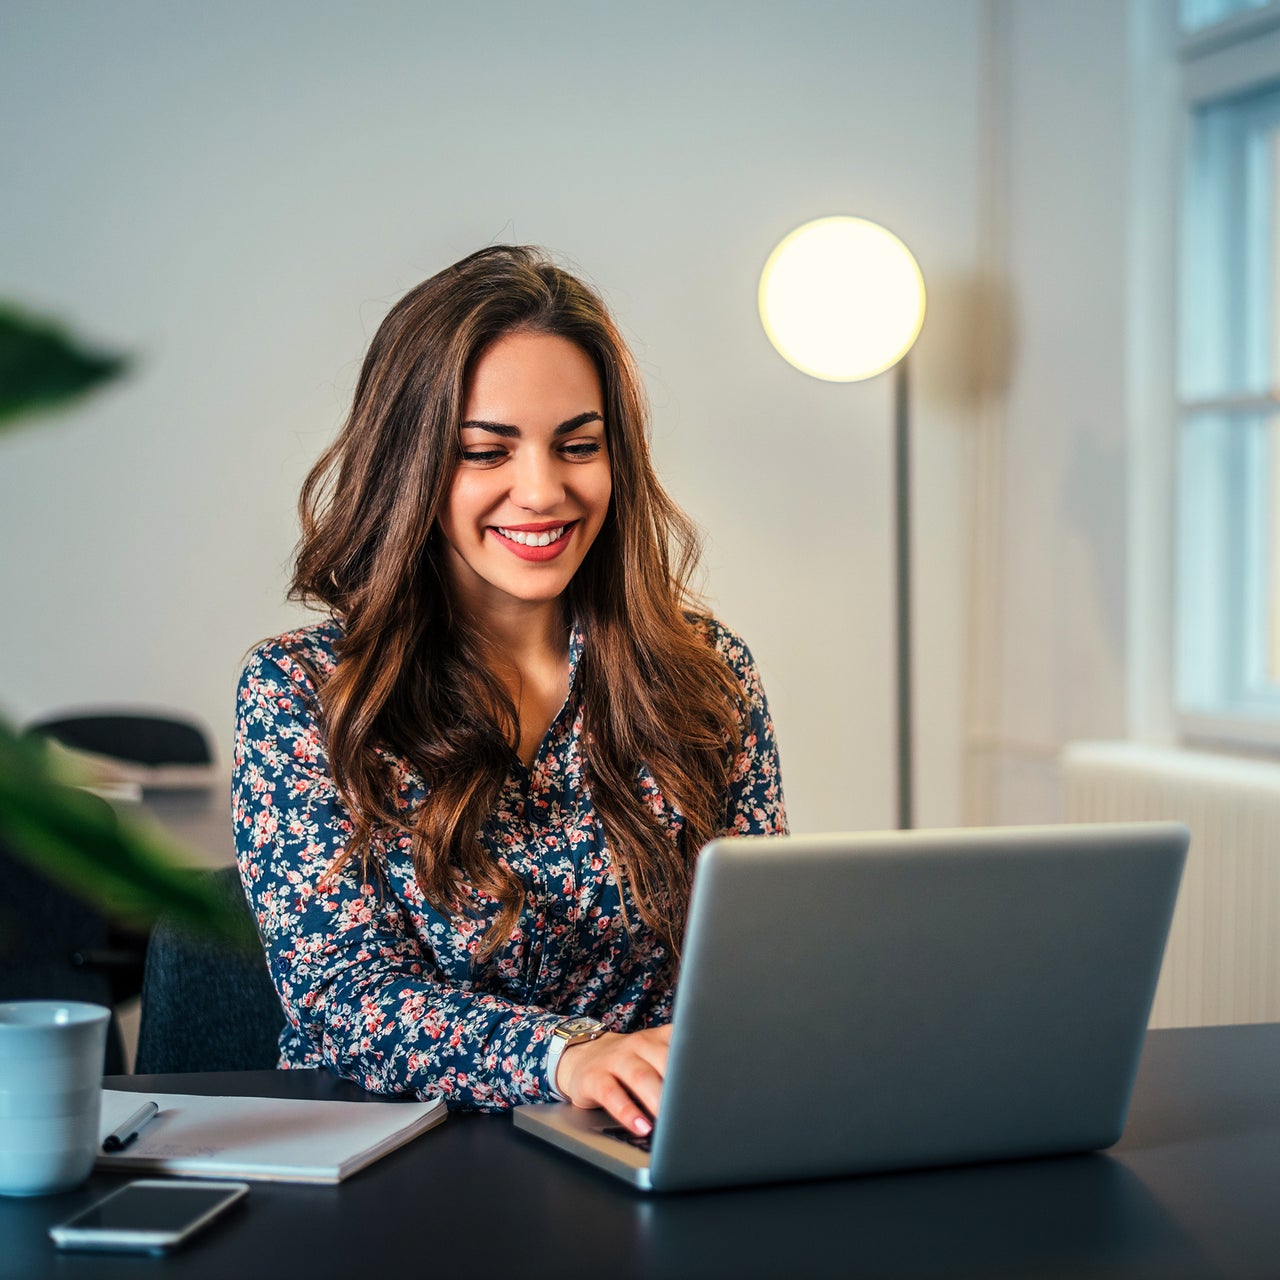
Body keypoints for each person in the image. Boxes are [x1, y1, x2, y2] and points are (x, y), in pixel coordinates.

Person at [232, 246, 786, 1138]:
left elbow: (759, 959)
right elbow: (343, 1000)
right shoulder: (305, 689)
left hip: (649, 1147)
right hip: (396, 1166)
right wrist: (567, 1055)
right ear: (409, 468)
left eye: (578, 446)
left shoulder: (708, 673)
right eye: (486, 452)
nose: (543, 491)